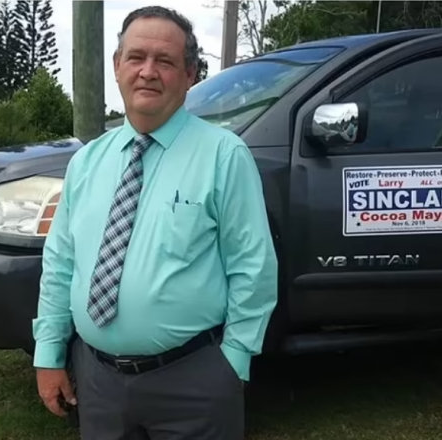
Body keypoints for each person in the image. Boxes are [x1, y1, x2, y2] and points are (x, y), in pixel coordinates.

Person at [32, 5, 278, 440]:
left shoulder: (224, 156)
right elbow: (60, 263)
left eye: (164, 60)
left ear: (189, 74)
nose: (148, 72)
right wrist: (49, 353)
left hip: (194, 381)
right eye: (136, 57)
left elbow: (253, 266)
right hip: (98, 382)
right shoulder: (86, 162)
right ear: (117, 66)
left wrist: (234, 360)